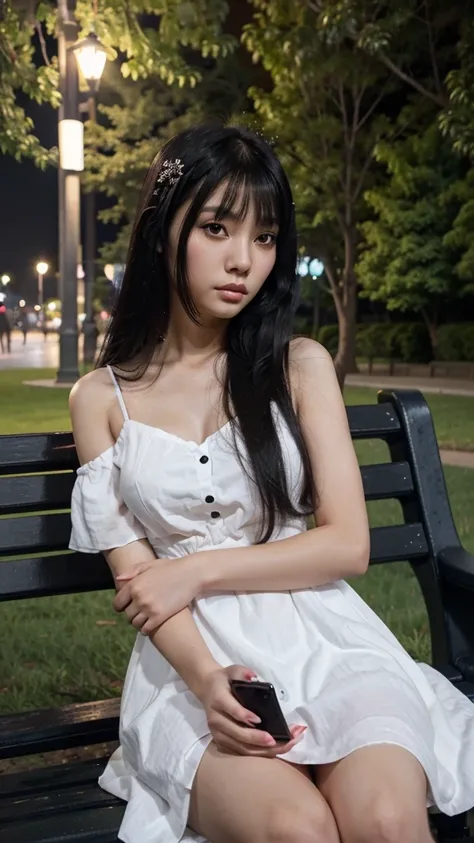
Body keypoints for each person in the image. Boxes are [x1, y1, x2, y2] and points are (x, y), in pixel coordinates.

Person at [68, 124, 474, 843]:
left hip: (332, 642)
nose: (243, 261)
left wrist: (192, 570)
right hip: (196, 666)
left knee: (383, 819)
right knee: (299, 828)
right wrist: (207, 681)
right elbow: (141, 585)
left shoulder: (298, 365)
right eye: (218, 228)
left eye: (264, 238)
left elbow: (347, 545)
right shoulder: (103, 399)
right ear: (165, 232)